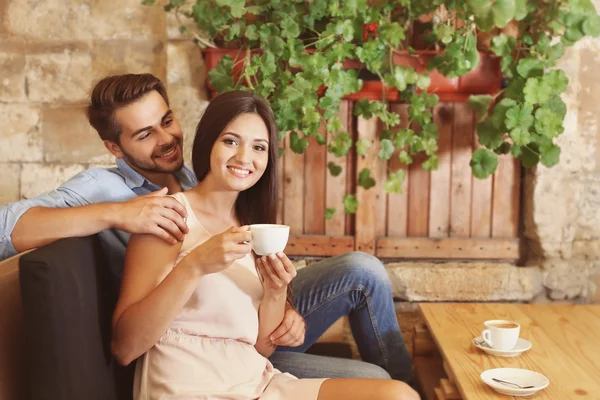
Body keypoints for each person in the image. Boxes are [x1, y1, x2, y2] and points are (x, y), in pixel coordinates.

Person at [0, 73, 414, 385]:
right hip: (189, 343)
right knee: (373, 382)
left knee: (362, 270)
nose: (166, 139)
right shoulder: (104, 189)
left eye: (167, 120)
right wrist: (116, 214)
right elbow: (4, 229)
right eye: (145, 134)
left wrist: (283, 304)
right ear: (114, 147)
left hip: (242, 317)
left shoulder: (198, 172)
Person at [110, 89, 419, 400]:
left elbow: (260, 346)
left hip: (257, 382)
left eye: (258, 147)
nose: (244, 158)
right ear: (208, 143)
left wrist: (275, 292)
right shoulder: (169, 217)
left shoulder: (254, 226)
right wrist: (194, 265)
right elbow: (125, 348)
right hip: (190, 387)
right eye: (231, 141)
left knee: (397, 395)